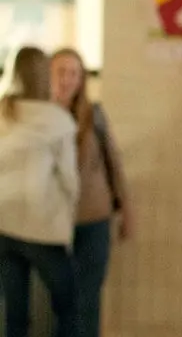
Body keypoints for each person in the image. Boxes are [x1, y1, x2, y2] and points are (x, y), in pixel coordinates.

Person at [50, 47, 133, 337]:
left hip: (94, 219)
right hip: (52, 225)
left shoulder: (93, 115)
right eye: (61, 72)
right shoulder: (39, 118)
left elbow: (113, 163)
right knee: (59, 300)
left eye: (74, 73)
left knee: (87, 298)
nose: (67, 80)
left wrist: (127, 210)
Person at [0, 46, 80, 337]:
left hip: (5, 224)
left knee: (15, 315)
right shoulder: (57, 121)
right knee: (68, 306)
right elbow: (70, 179)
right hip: (43, 226)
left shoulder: (4, 113)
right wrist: (69, 215)